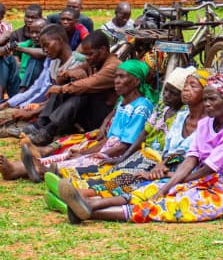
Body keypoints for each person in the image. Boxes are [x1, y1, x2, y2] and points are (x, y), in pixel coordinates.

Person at [61, 72, 223, 224]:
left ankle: (91, 212)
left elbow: (211, 167)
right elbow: (191, 159)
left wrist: (173, 182)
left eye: (213, 99)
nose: (207, 104)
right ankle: (89, 204)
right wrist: (168, 184)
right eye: (206, 99)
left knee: (172, 205)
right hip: (193, 174)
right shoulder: (204, 123)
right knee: (151, 188)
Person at [23, 60, 155, 181]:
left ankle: (44, 170)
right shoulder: (123, 104)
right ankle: (40, 166)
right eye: (116, 76)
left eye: (122, 77)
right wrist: (83, 153)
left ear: (137, 81)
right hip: (108, 150)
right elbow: (108, 140)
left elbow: (123, 147)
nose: (116, 81)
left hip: (119, 156)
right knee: (68, 155)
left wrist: (85, 155)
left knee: (81, 162)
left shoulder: (141, 107)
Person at [20, 30, 120, 145]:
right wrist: (68, 73)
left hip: (104, 117)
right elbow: (60, 79)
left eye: (90, 54)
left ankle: (48, 131)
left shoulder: (113, 66)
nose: (87, 58)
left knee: (79, 92)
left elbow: (88, 84)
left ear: (103, 50)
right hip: (90, 114)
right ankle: (41, 125)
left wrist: (61, 88)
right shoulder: (93, 62)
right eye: (85, 54)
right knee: (67, 87)